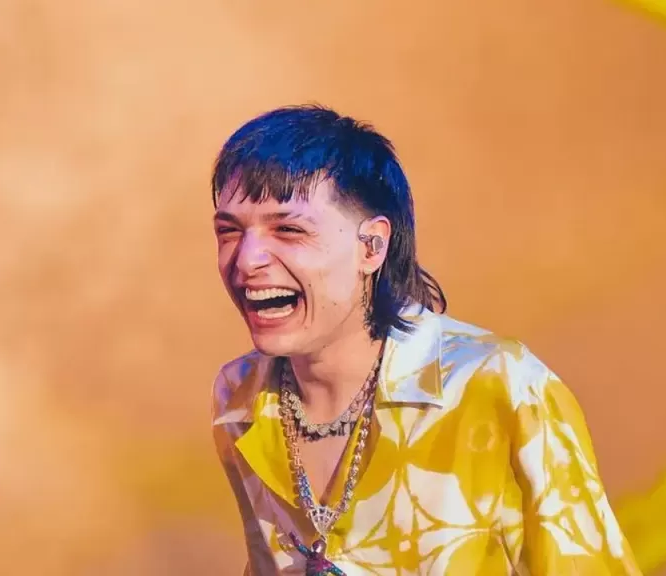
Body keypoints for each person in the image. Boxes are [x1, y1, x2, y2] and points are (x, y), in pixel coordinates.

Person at [209, 104, 641, 576]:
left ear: (372, 247)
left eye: (288, 229)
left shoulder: (498, 387)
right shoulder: (241, 397)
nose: (246, 259)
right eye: (229, 231)